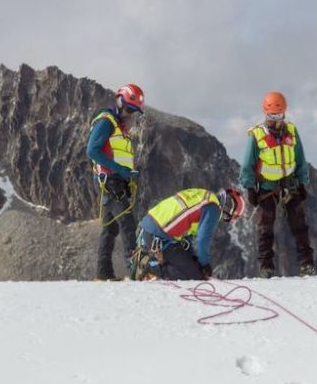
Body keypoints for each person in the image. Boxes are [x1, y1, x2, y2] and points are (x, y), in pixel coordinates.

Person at [240, 91, 316, 278]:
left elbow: (300, 158)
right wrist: (250, 187)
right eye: (272, 116)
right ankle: (266, 268)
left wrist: (303, 182)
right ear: (265, 114)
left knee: (300, 227)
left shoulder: (291, 131)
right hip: (266, 188)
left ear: (284, 113)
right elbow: (247, 163)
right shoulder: (256, 136)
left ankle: (307, 265)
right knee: (265, 229)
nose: (275, 120)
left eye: (279, 115)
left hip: (290, 185)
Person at [87, 83, 145, 281]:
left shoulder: (119, 127)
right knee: (127, 223)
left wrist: (127, 174)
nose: (131, 114)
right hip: (110, 181)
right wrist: (120, 170)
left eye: (134, 111)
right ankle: (137, 272)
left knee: (110, 228)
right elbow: (92, 151)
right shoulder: (107, 121)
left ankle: (103, 273)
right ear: (119, 102)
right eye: (129, 109)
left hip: (116, 181)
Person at [131, 187, 246, 281]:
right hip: (160, 237)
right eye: (229, 207)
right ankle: (149, 267)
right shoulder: (214, 208)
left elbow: (187, 230)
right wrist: (204, 264)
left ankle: (154, 261)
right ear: (229, 215)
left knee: (192, 265)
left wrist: (193, 257)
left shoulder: (204, 195)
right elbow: (202, 239)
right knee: (195, 277)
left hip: (151, 227)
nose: (227, 207)